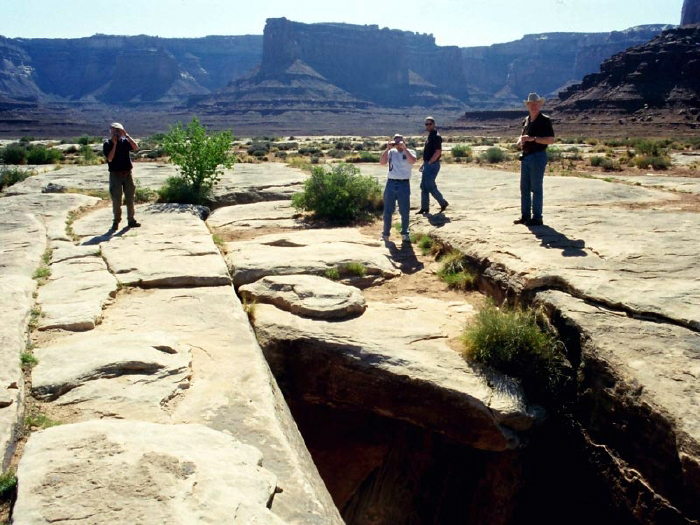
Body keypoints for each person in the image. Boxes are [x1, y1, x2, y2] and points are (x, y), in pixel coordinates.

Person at [514, 93, 555, 226]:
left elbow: (551, 140)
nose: (534, 106)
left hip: (538, 156)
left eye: (537, 104)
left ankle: (537, 217)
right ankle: (525, 216)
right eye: (532, 104)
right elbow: (521, 135)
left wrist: (534, 139)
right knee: (524, 187)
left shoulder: (544, 120)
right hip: (526, 157)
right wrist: (520, 141)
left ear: (540, 105)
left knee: (536, 188)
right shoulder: (526, 120)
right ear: (528, 106)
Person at [379, 133, 417, 242]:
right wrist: (387, 149)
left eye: (399, 141)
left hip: (404, 184)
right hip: (391, 183)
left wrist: (404, 148)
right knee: (388, 210)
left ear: (404, 141)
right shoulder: (391, 152)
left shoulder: (411, 152)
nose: (397, 143)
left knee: (404, 210)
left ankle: (405, 233)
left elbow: (412, 161)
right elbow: (382, 162)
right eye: (395, 141)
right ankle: (385, 234)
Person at [103, 122, 140, 231]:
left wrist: (127, 135)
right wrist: (114, 144)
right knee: (116, 200)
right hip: (116, 175)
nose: (116, 133)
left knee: (130, 198)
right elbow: (110, 158)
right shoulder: (107, 144)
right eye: (114, 130)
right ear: (111, 131)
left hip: (127, 174)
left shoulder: (125, 142)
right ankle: (116, 222)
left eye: (118, 130)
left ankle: (131, 220)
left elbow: (135, 147)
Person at [416, 116, 448, 215]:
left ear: (434, 124)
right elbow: (429, 152)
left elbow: (438, 152)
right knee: (424, 186)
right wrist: (424, 164)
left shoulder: (436, 136)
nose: (428, 126)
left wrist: (430, 162)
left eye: (430, 124)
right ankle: (424, 208)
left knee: (430, 185)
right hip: (427, 164)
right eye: (426, 124)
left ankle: (443, 202)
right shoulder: (430, 136)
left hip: (432, 165)